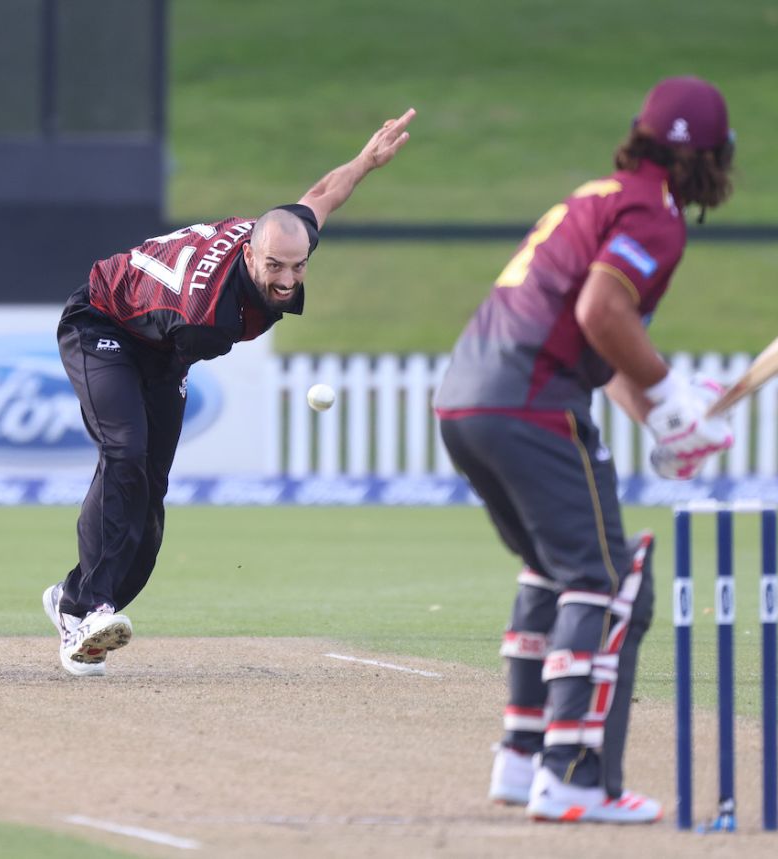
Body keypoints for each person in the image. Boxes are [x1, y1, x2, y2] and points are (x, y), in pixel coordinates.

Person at [433, 77, 737, 823]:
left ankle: (521, 758)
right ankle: (573, 773)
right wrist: (671, 395)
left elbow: (602, 342)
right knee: (605, 578)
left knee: (555, 566)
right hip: (531, 400)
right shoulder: (656, 216)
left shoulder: (601, 193)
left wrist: (666, 421)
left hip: (467, 397)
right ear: (707, 156)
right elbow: (601, 310)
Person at [42, 109, 416, 676]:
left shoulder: (287, 236)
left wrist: (366, 160)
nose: (287, 281)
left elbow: (321, 194)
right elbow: (167, 350)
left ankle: (78, 599)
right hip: (100, 324)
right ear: (248, 255)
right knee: (125, 454)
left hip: (161, 342)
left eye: (297, 266)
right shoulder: (208, 317)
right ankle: (84, 612)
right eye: (274, 268)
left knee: (151, 490)